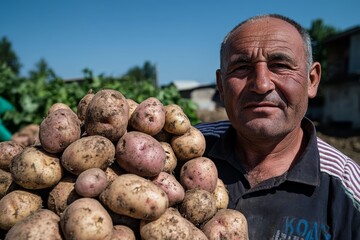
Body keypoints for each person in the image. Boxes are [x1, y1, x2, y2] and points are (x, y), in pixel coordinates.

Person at [196, 14, 360, 239]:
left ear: (312, 80)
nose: (261, 84)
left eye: (280, 65)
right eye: (242, 67)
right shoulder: (185, 149)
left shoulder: (348, 186)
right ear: (221, 86)